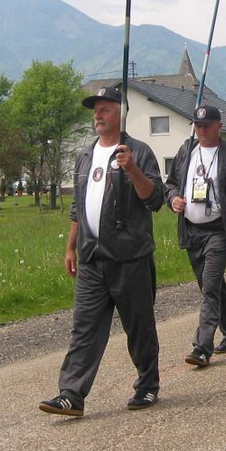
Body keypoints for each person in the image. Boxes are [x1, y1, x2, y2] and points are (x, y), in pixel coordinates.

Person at [39, 86, 165, 417]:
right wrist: (71, 246)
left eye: (105, 109)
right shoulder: (85, 156)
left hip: (130, 257)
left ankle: (148, 385)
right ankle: (71, 394)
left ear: (121, 113)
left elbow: (154, 200)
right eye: (95, 109)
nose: (98, 114)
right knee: (84, 328)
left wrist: (132, 169)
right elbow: (78, 207)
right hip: (92, 259)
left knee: (138, 327)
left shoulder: (138, 152)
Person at [165, 105, 226, 368]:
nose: (201, 130)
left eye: (206, 125)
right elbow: (170, 184)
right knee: (211, 286)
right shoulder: (186, 151)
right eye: (197, 125)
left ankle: (202, 348)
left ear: (219, 125)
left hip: (219, 230)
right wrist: (173, 199)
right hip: (191, 231)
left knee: (209, 287)